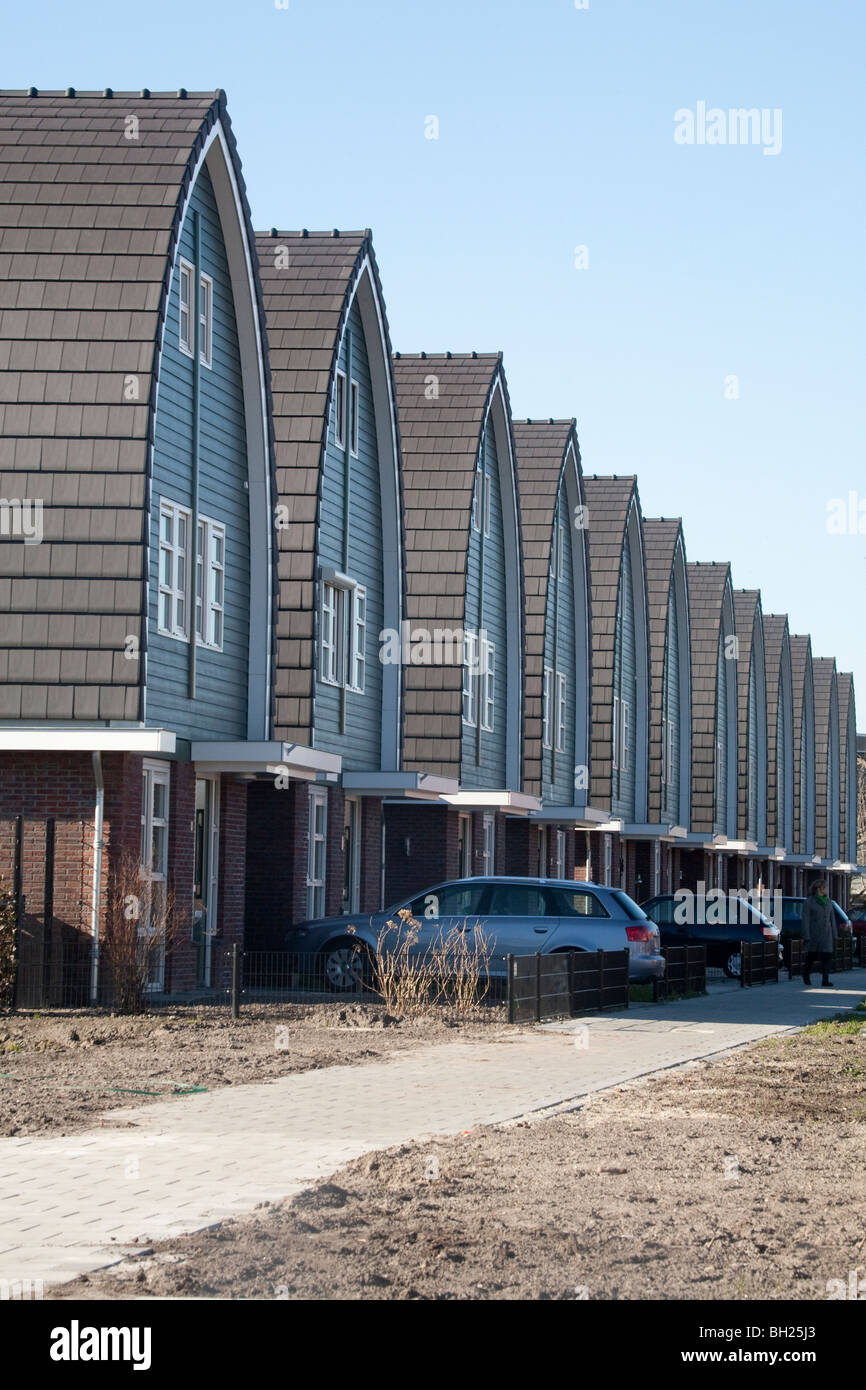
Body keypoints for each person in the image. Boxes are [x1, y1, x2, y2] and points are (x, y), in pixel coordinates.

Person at [801, 879, 837, 988]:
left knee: (827, 956)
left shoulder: (829, 901)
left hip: (827, 934)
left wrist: (835, 934)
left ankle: (825, 980)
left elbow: (832, 919)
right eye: (825, 887)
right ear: (819, 889)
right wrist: (806, 935)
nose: (827, 890)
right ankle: (806, 974)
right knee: (812, 956)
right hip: (814, 934)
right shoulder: (809, 902)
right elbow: (805, 919)